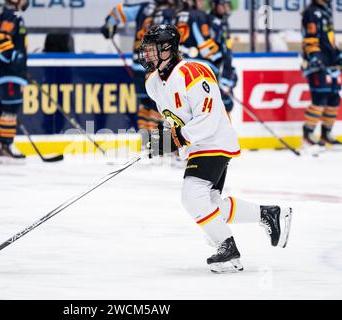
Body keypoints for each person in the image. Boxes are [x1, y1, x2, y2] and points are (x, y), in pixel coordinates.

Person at [139, 24, 292, 273]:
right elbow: (175, 119)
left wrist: (175, 140)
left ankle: (226, 245)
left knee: (192, 196)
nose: (147, 55)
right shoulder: (153, 83)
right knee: (211, 204)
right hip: (198, 145)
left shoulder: (193, 72)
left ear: (168, 48)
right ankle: (268, 214)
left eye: (152, 50)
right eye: (146, 50)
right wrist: (162, 139)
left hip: (214, 142)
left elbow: (207, 120)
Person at [100, 0, 180, 146]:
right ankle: (155, 147)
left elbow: (118, 11)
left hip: (140, 64)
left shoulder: (143, 8)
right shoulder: (173, 13)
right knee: (158, 106)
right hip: (157, 67)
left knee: (146, 106)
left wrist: (109, 25)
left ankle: (148, 145)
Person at [0, 0, 29, 158]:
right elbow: (0, 39)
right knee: (9, 110)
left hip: (0, 73)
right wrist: (15, 58)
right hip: (9, 74)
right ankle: (5, 146)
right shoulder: (12, 16)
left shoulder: (4, 15)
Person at [301, 0, 341, 147]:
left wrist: (338, 54)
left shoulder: (327, 12)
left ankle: (326, 133)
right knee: (320, 98)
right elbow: (310, 38)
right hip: (317, 64)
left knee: (334, 98)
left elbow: (330, 39)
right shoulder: (311, 12)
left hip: (330, 63)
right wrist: (315, 57)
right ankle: (308, 135)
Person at [207, 0, 237, 113]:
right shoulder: (210, 22)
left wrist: (228, 75)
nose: (225, 8)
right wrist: (218, 76)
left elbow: (227, 50)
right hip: (214, 70)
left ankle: (225, 130)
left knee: (228, 104)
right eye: (222, 5)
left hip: (223, 68)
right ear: (214, 5)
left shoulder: (223, 22)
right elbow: (214, 51)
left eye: (227, 5)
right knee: (219, 104)